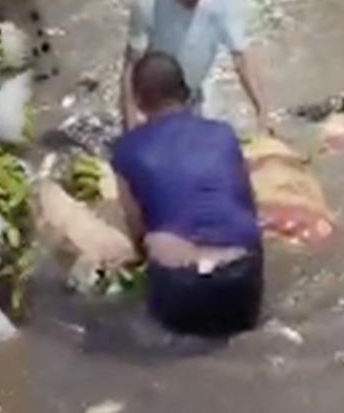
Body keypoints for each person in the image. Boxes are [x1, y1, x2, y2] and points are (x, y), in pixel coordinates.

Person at [109, 52, 264, 336]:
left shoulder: (126, 151)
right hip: (243, 278)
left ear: (139, 100)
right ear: (185, 91)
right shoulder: (224, 134)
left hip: (181, 288)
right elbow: (250, 207)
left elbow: (138, 234)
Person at [121, 0, 271, 134]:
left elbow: (241, 58)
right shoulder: (149, 4)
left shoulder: (222, 7)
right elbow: (131, 68)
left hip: (194, 94)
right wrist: (130, 125)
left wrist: (262, 111)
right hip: (154, 99)